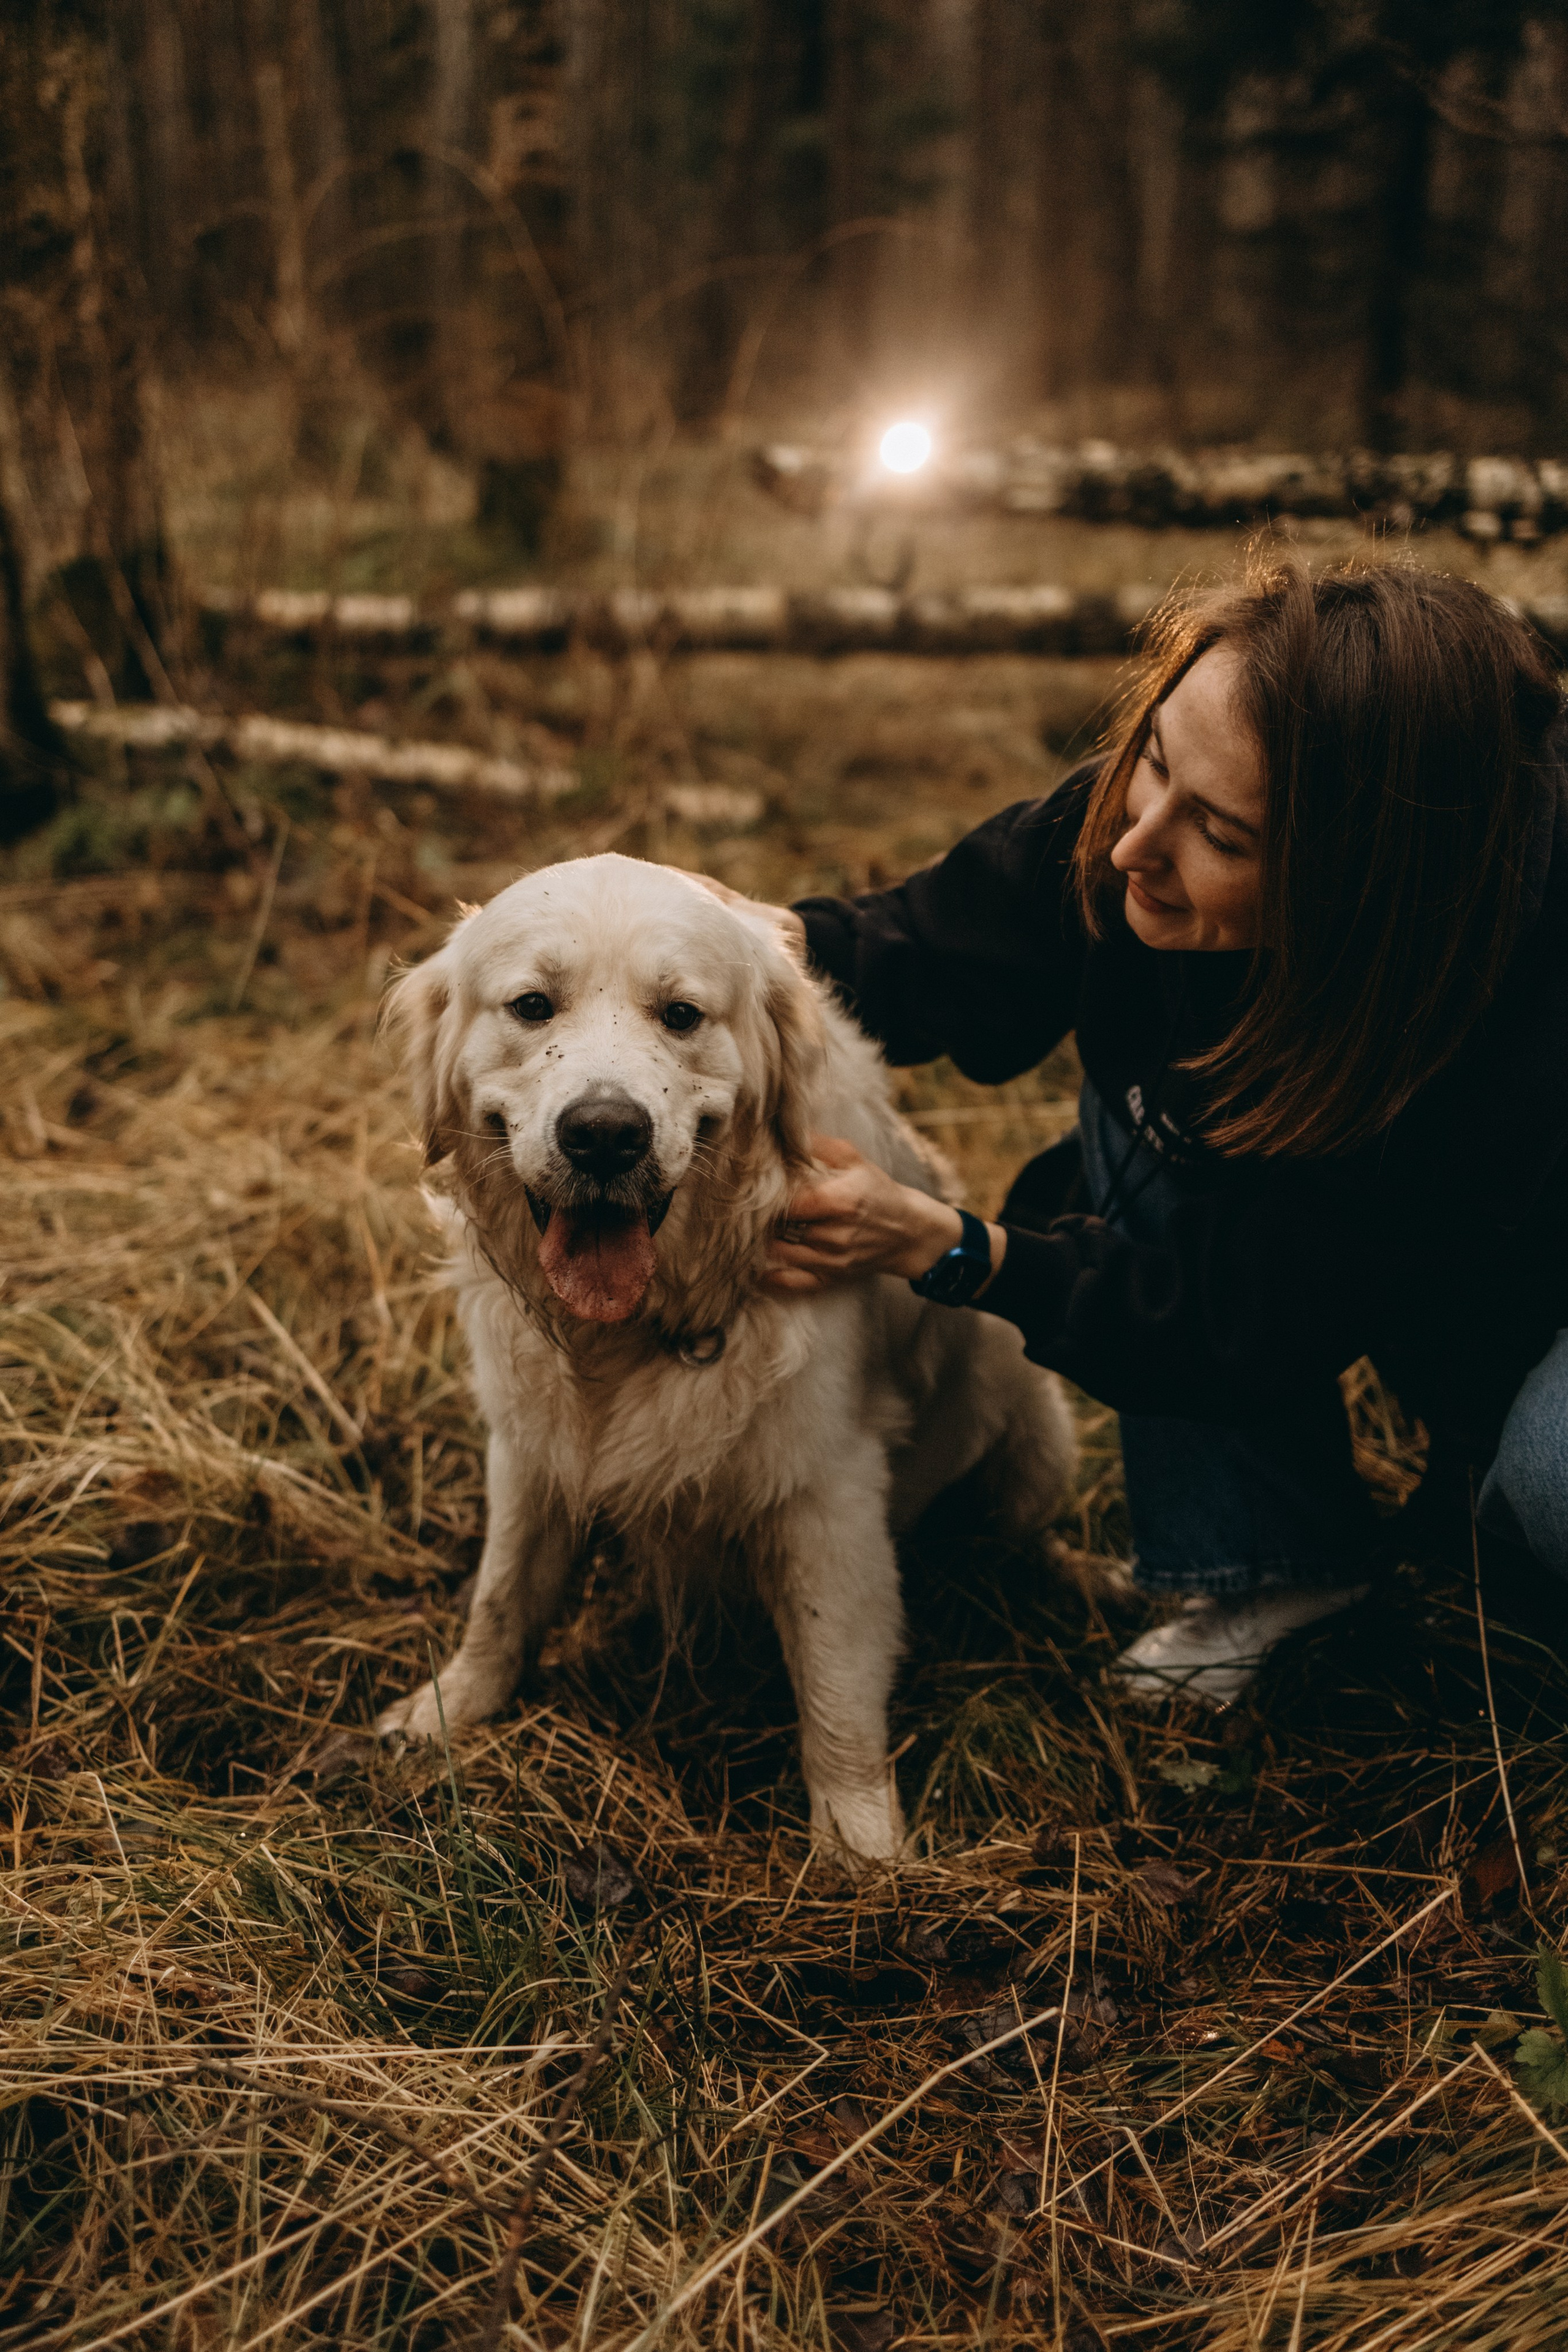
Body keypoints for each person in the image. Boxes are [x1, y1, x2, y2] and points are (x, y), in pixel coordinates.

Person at [752, 556, 1568, 1704]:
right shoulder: (1198, 781)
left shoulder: (1501, 1042)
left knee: (1546, 1477)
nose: (1139, 841)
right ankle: (1272, 1561)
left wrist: (949, 1247)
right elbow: (949, 938)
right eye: (1152, 759)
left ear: (1364, 895)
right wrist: (753, 940)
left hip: (1520, 1264)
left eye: (1222, 839)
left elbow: (1256, 1308)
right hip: (1354, 1236)